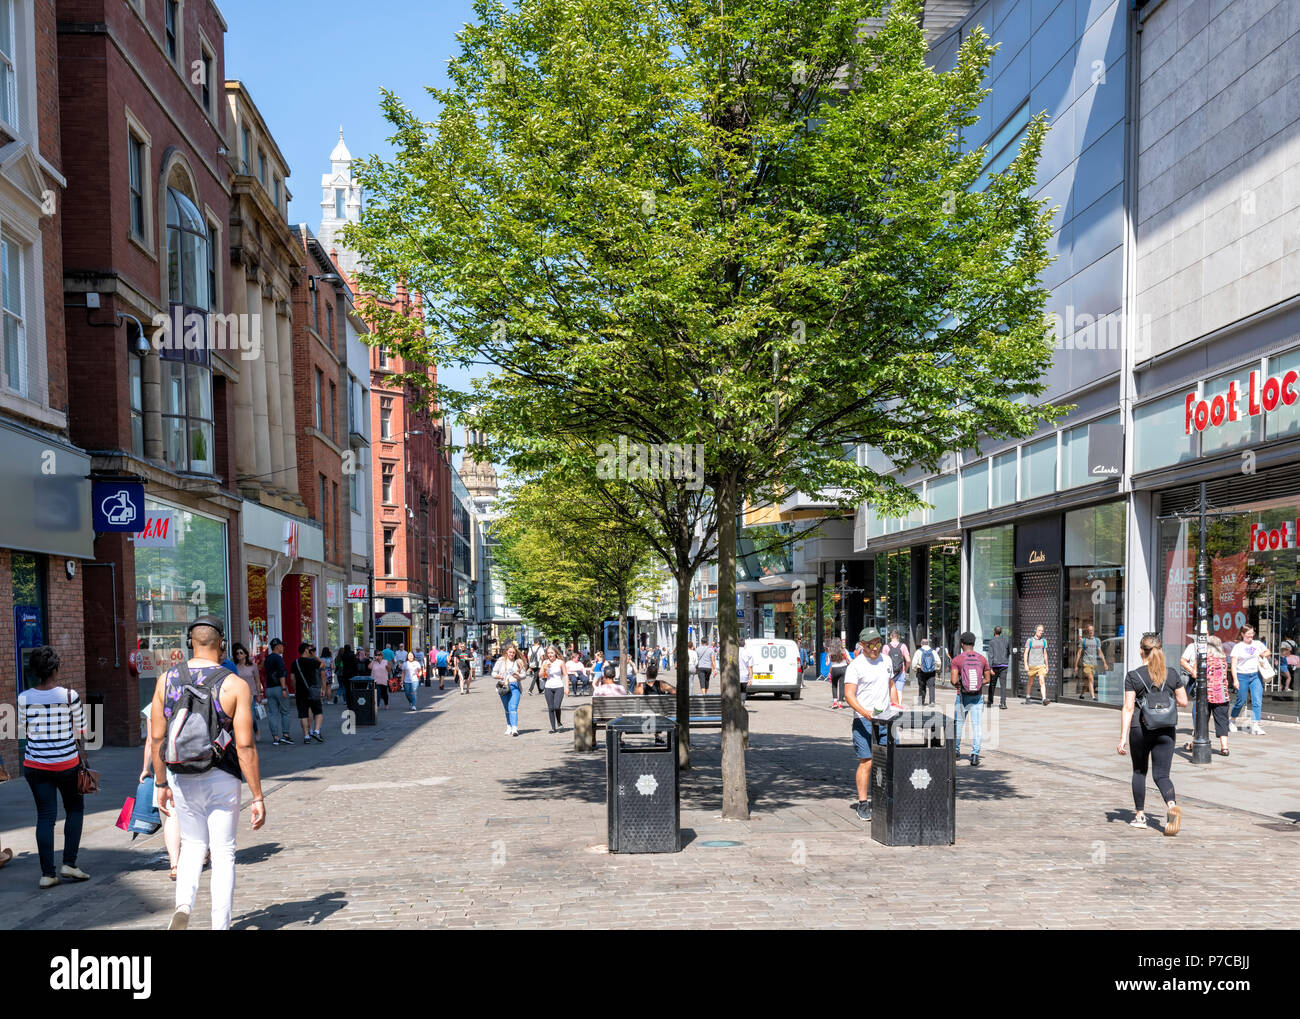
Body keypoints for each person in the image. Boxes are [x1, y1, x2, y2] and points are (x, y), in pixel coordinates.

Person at [151, 615, 266, 929]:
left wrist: (161, 782)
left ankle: (184, 905)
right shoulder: (234, 685)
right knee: (224, 851)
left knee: (191, 845)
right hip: (222, 775)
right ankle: (220, 925)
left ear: (190, 643)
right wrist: (257, 795)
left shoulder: (167, 679)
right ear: (223, 645)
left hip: (181, 775)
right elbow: (245, 746)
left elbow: (157, 738)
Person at [17, 646, 90, 889]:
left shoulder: (24, 698)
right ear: (55, 669)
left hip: (36, 765)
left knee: (45, 817)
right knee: (75, 809)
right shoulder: (70, 696)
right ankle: (69, 862)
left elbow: (21, 730)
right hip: (67, 764)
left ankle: (47, 874)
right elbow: (82, 731)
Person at [1118, 633, 1187, 835]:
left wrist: (1122, 736)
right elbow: (1183, 701)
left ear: (1142, 651)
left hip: (1140, 729)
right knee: (1162, 775)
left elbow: (1128, 707)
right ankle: (1172, 806)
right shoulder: (1172, 674)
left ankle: (1140, 816)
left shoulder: (1133, 676)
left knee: (1139, 772)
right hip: (1166, 729)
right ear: (1160, 650)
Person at [843, 629, 893, 823]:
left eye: (878, 642)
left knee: (886, 760)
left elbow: (890, 686)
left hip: (885, 719)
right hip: (864, 720)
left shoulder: (886, 661)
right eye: (871, 644)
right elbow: (849, 695)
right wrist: (865, 713)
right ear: (862, 645)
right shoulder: (855, 666)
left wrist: (896, 704)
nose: (875, 647)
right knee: (867, 761)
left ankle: (883, 799)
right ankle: (863, 803)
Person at [951, 632, 991, 766]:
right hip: (977, 696)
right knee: (977, 726)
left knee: (958, 724)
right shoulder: (982, 659)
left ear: (962, 643)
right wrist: (978, 684)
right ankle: (975, 756)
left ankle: (956, 752)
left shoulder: (957, 660)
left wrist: (962, 685)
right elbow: (987, 679)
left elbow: (953, 680)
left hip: (962, 696)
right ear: (974, 643)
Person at [1229, 625, 1270, 735]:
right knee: (1240, 701)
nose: (1250, 637)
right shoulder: (1238, 647)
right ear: (1242, 634)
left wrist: (1263, 654)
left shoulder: (1257, 644)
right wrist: (1235, 680)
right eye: (1248, 635)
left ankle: (1255, 725)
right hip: (1242, 675)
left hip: (1256, 675)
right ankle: (1232, 720)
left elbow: (1268, 652)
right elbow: (1233, 665)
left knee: (1257, 700)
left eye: (1252, 634)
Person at [292, 644, 326, 743]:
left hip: (300, 691)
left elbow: (292, 678)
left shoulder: (295, 662)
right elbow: (323, 664)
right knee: (318, 712)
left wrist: (295, 689)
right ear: (306, 650)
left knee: (303, 714)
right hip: (313, 690)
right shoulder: (312, 661)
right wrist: (314, 655)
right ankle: (316, 731)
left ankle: (306, 736)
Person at [231, 643, 264, 743]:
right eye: (237, 653)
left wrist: (259, 694)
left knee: (251, 717)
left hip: (251, 694)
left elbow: (257, 681)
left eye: (241, 653)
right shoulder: (234, 666)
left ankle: (256, 730)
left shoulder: (253, 666)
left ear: (245, 654)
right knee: (241, 716)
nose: (239, 655)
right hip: (238, 695)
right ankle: (246, 735)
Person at [263, 639, 293, 744]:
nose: (283, 648)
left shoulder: (267, 659)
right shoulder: (279, 659)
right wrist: (284, 688)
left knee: (272, 713)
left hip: (269, 688)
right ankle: (285, 735)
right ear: (277, 647)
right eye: (282, 645)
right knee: (285, 712)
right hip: (279, 688)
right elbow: (281, 674)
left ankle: (275, 737)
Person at [494, 643, 526, 736]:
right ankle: (509, 726)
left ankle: (515, 728)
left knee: (513, 707)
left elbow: (524, 675)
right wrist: (498, 676)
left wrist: (518, 676)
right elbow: (493, 672)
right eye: (510, 652)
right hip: (503, 686)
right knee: (507, 708)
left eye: (513, 652)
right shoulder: (501, 660)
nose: (512, 654)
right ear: (506, 652)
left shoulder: (518, 662)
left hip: (515, 685)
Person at [1073, 624, 1107, 700]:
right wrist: (1076, 666)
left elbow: (1100, 652)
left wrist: (1105, 663)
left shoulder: (1097, 640)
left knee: (1087, 681)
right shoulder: (1083, 641)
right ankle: (1093, 696)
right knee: (1091, 679)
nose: (1091, 631)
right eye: (1089, 630)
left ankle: (1082, 694)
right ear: (1087, 631)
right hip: (1086, 663)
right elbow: (1079, 653)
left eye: (1092, 630)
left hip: (1094, 663)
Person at [1023, 623, 1050, 704]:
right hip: (1032, 665)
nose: (1041, 632)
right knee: (1030, 682)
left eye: (1042, 631)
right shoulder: (1030, 640)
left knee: (1042, 681)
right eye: (1039, 630)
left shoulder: (1044, 641)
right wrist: (1025, 664)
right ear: (1035, 631)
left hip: (1041, 665)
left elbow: (1045, 654)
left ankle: (1044, 699)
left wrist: (1047, 666)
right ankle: (1028, 696)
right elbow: (1025, 653)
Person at [541, 646, 566, 733]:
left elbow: (565, 675)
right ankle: (553, 727)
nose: (550, 655)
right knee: (551, 708)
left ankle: (559, 723)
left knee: (557, 707)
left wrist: (566, 687)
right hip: (548, 687)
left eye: (551, 653)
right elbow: (540, 675)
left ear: (555, 653)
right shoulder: (545, 662)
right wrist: (544, 669)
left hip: (559, 686)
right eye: (548, 653)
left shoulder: (560, 662)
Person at [987, 626, 1011, 709]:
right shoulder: (1006, 641)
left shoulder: (992, 642)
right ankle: (1003, 703)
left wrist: (990, 668)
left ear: (994, 632)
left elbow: (990, 655)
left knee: (992, 684)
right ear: (1001, 632)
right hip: (1004, 665)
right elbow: (1008, 652)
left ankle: (990, 702)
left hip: (995, 665)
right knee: (1003, 685)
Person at [912, 635, 939, 708]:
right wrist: (936, 668)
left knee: (922, 687)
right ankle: (932, 702)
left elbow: (914, 662)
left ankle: (921, 702)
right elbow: (938, 662)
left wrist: (914, 669)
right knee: (931, 687)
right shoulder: (933, 651)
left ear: (921, 644)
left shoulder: (918, 651)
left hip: (921, 671)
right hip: (931, 672)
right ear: (928, 644)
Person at [886, 629, 911, 703]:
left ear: (890, 636)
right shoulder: (903, 646)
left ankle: (891, 706)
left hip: (889, 672)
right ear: (899, 636)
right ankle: (899, 706)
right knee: (899, 691)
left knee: (890, 689)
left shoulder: (886, 647)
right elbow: (908, 660)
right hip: (901, 671)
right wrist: (905, 669)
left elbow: (883, 661)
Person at [827, 638, 850, 709]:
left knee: (834, 686)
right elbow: (850, 660)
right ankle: (840, 704)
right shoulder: (844, 650)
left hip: (834, 669)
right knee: (842, 686)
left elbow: (827, 663)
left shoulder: (830, 652)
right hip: (843, 669)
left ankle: (834, 702)